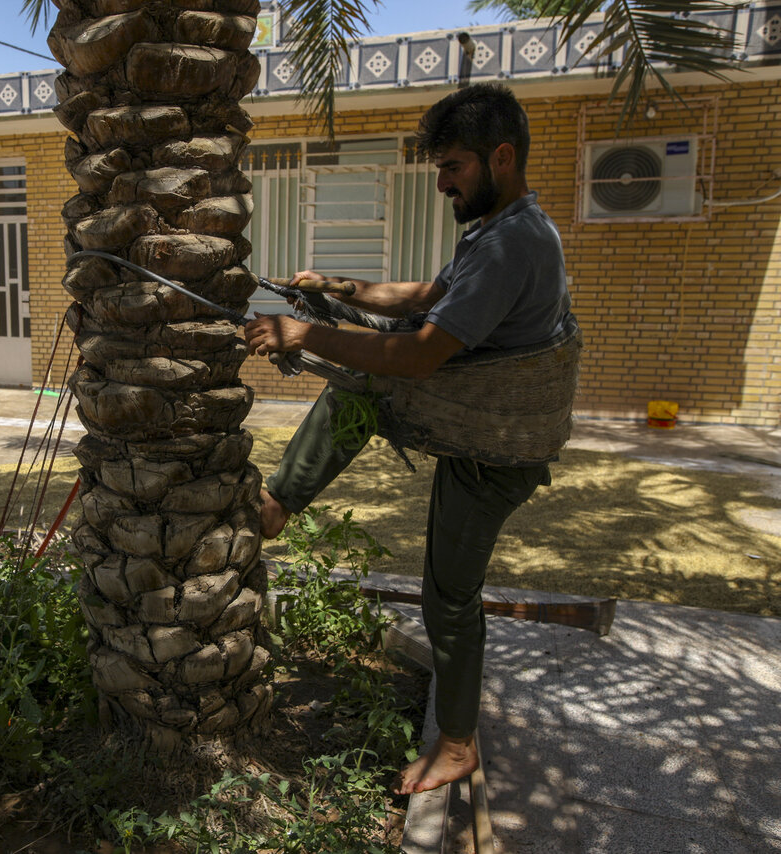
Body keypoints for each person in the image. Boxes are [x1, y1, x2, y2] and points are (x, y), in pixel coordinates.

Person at [243, 83, 575, 796]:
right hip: (475, 433)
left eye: (453, 165)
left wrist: (303, 330)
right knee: (356, 392)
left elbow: (419, 354)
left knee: (448, 597)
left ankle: (457, 746)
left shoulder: (512, 241)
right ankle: (276, 503)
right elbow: (430, 296)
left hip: (494, 451)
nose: (442, 180)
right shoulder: (501, 230)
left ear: (503, 156)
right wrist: (345, 288)